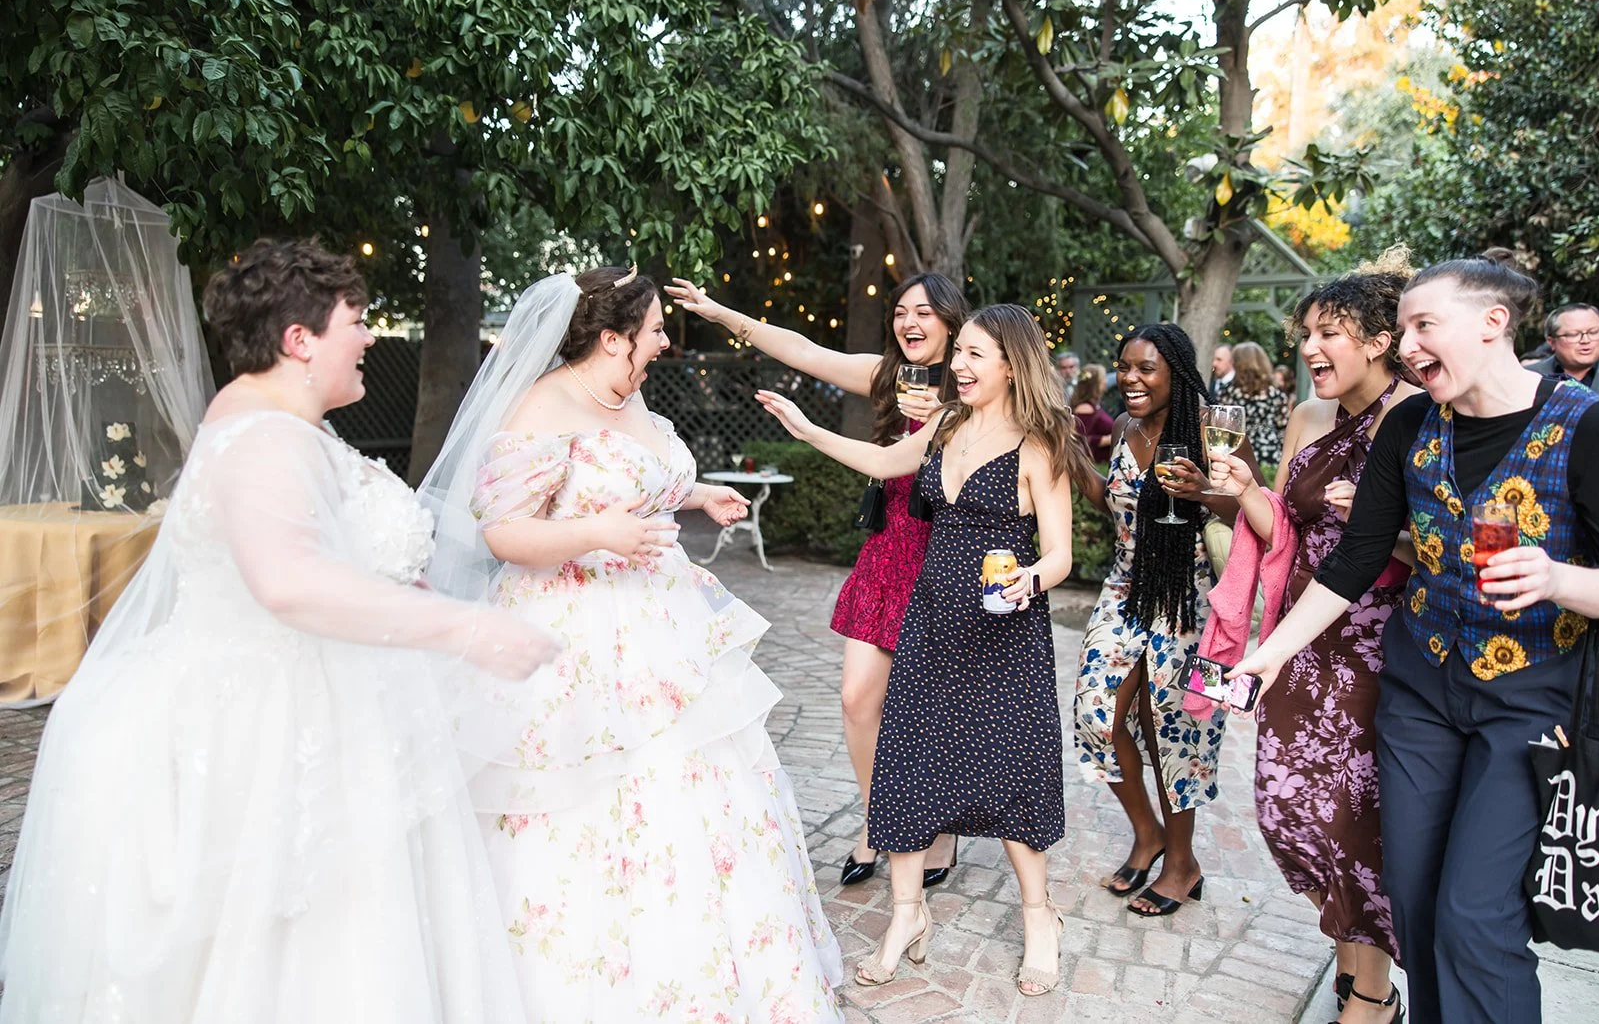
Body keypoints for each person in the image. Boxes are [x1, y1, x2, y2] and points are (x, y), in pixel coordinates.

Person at [0, 239, 559, 1024]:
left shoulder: (264, 420)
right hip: (263, 731)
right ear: (300, 340)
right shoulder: (267, 438)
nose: (368, 338)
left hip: (300, 704)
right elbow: (286, 580)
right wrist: (462, 628)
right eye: (355, 322)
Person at [419, 267, 844, 1022]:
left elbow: (635, 472)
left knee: (703, 791)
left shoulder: (629, 391)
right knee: (579, 808)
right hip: (568, 637)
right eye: (651, 330)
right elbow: (504, 532)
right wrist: (595, 534)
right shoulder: (540, 406)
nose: (662, 340)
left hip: (664, 628)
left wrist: (696, 494)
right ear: (611, 340)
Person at [1232, 250, 1599, 1024]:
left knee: (1475, 914)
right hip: (1420, 696)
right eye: (1402, 330)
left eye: (1423, 325)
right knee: (1417, 901)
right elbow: (1355, 560)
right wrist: (1268, 654)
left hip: (1527, 707)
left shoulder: (1583, 424)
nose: (1406, 346)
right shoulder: (1409, 424)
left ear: (1493, 323)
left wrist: (1560, 580)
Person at [756, 305, 1093, 996]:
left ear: (1010, 363)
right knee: (909, 762)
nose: (960, 365)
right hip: (932, 619)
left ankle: (1040, 918)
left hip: (1004, 633)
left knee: (1010, 771)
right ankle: (906, 915)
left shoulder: (1039, 443)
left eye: (974, 354)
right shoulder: (946, 424)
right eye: (958, 353)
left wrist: (1031, 576)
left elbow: (1060, 553)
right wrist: (808, 428)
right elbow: (883, 460)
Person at [665, 273, 966, 888]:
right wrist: (720, 312)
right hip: (891, 549)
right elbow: (805, 351)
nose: (910, 323)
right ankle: (879, 817)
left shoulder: (973, 387)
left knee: (931, 707)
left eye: (926, 313)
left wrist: (944, 416)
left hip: (947, 556)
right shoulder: (888, 375)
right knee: (859, 697)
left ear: (951, 324)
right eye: (902, 311)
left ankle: (940, 829)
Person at [1209, 254, 1422, 1024]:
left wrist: (1382, 524)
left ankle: (1370, 993)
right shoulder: (1305, 418)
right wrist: (1244, 495)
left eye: (1329, 332)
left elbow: (1441, 547)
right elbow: (1286, 535)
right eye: (1306, 333)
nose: (1310, 348)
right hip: (1301, 640)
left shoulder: (1420, 415)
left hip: (1375, 644)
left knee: (1353, 821)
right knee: (1285, 806)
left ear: (1377, 340)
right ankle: (1349, 946)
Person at [1074, 323, 1257, 919]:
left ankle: (1181, 864)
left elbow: (1251, 509)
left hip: (1192, 593)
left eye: (1145, 368)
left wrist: (1207, 490)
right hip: (1125, 587)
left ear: (1175, 374)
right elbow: (1116, 501)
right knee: (1096, 713)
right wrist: (1075, 461)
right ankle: (1147, 832)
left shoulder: (1212, 429)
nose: (1130, 378)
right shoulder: (1125, 428)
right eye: (1124, 366)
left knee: (1174, 727)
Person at [1217, 341, 1293, 466]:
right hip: (1270, 454)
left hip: (1237, 453)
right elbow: (1283, 428)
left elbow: (1221, 426)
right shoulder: (1276, 394)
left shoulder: (1229, 392)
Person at [1525, 301, 1599, 387]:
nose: (1585, 340)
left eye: (1593, 332)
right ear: (1551, 342)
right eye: (1573, 334)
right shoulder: (1529, 376)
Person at [1072, 363, 1116, 464]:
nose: (1106, 381)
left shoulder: (1094, 405)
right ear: (1094, 384)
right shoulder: (1084, 408)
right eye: (1103, 378)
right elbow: (1080, 439)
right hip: (1096, 463)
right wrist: (1108, 439)